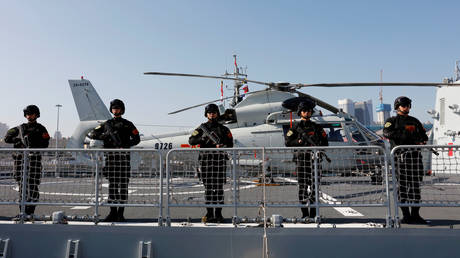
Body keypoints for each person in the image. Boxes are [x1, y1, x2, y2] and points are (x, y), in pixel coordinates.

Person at [88, 99, 140, 222]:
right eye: (114, 108)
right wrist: (105, 135)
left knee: (123, 186)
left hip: (123, 159)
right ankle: (112, 212)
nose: (115, 110)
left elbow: (137, 138)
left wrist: (126, 145)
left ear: (122, 110)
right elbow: (92, 133)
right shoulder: (107, 124)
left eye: (118, 108)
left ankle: (120, 213)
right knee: (112, 187)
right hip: (111, 159)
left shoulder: (128, 124)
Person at [383, 96, 428, 224]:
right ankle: (406, 215)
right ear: (398, 106)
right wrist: (404, 135)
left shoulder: (415, 121)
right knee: (402, 187)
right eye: (404, 105)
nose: (407, 107)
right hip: (400, 159)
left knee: (415, 187)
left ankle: (415, 215)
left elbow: (424, 136)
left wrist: (420, 140)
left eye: (408, 105)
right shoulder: (392, 121)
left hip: (414, 158)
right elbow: (386, 133)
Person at [189, 103, 233, 223]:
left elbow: (230, 144)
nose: (212, 114)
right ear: (206, 114)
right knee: (208, 189)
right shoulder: (201, 128)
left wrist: (222, 145)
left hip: (219, 161)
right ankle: (209, 214)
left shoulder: (224, 129)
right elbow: (191, 140)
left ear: (217, 113)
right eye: (210, 113)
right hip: (206, 162)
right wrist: (203, 138)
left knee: (219, 189)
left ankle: (218, 214)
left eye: (214, 112)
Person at [4, 105, 50, 219]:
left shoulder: (41, 129)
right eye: (28, 114)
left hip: (34, 161)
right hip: (20, 161)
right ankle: (22, 212)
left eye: (32, 113)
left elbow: (45, 144)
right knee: (22, 187)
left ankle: (31, 212)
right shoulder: (19, 129)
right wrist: (18, 140)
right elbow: (7, 138)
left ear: (36, 115)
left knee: (33, 186)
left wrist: (34, 144)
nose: (29, 116)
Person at [285, 100, 328, 220]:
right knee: (303, 187)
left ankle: (313, 213)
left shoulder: (317, 127)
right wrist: (299, 142)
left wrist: (318, 145)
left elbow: (325, 142)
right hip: (302, 160)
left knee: (315, 187)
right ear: (300, 112)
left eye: (309, 111)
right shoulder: (295, 128)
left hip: (315, 161)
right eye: (305, 111)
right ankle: (304, 214)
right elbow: (288, 142)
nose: (307, 113)